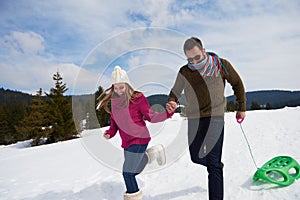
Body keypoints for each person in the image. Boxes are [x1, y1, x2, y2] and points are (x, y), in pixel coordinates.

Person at [166, 37, 246, 200]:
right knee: (196, 157)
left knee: (212, 164)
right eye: (190, 59)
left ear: (203, 51)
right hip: (194, 119)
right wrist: (172, 101)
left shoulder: (220, 64)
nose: (194, 62)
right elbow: (175, 91)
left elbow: (237, 83)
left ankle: (215, 166)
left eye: (197, 57)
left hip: (215, 117)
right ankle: (216, 164)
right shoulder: (184, 71)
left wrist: (241, 107)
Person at [97, 65, 174, 200]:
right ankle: (151, 154)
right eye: (116, 87)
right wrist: (110, 132)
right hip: (127, 143)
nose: (119, 90)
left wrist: (168, 113)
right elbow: (114, 122)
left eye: (122, 87)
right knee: (135, 170)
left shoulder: (137, 98)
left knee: (128, 173)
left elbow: (151, 116)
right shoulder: (114, 101)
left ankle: (133, 197)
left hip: (140, 139)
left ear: (127, 85)